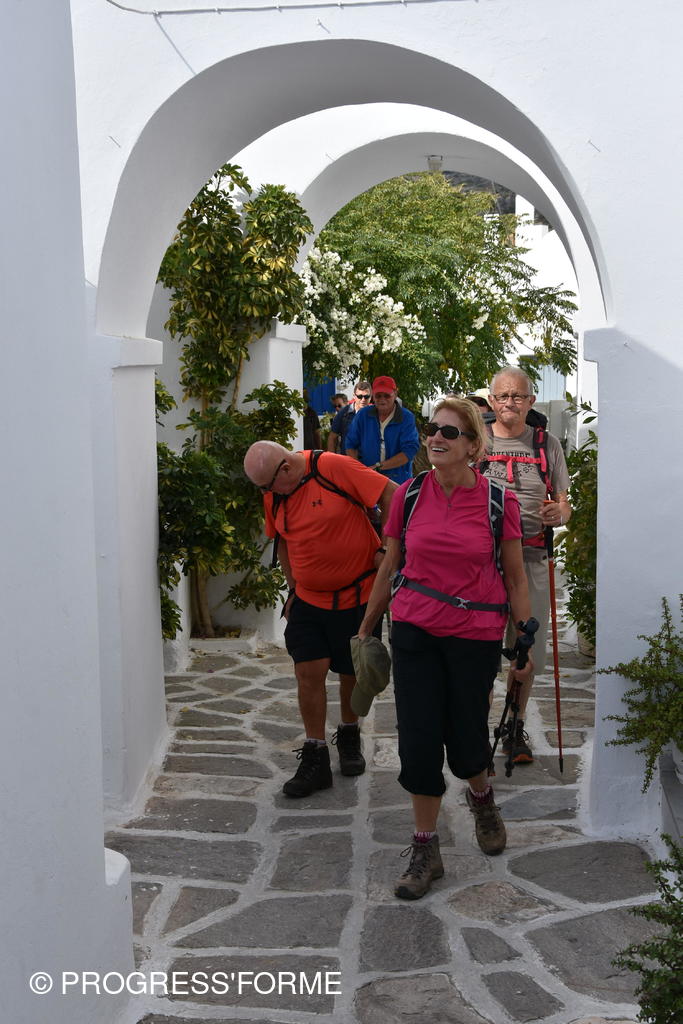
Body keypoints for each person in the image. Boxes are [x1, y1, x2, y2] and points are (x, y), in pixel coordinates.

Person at [357, 397, 533, 899]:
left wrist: (523, 642)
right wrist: (367, 627)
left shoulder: (499, 503)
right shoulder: (409, 495)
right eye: (433, 429)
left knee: (465, 736)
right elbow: (390, 565)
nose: (436, 437)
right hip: (415, 631)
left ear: (473, 446)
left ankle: (482, 797)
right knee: (417, 739)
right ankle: (425, 848)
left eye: (449, 432)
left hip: (475, 636)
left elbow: (515, 577)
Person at [243, 441, 397, 797]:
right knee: (308, 672)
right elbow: (282, 541)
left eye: (267, 486)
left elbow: (391, 493)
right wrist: (292, 589)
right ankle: (315, 755)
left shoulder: (333, 468)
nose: (266, 493)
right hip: (308, 601)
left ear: (285, 469)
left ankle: (349, 733)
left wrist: (388, 549)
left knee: (351, 672)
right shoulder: (275, 492)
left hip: (358, 596)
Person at [480, 366, 572, 764]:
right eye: (503, 396)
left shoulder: (546, 443)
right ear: (491, 400)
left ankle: (514, 727)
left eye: (518, 396)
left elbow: (564, 503)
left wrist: (560, 512)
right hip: (482, 564)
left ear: (531, 401)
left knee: (525, 650)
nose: (510, 403)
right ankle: (477, 730)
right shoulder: (475, 441)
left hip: (532, 558)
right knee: (480, 652)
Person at [345, 375, 420, 484]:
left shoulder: (406, 418)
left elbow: (410, 450)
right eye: (378, 396)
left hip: (398, 480)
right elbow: (350, 444)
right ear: (373, 396)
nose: (382, 399)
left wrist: (378, 467)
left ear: (395, 394)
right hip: (368, 478)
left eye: (387, 395)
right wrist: (359, 470)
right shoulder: (363, 415)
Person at [327, 380, 372, 453]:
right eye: (359, 396)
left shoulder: (375, 413)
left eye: (366, 397)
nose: (363, 399)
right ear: (354, 396)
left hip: (368, 458)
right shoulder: (343, 413)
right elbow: (332, 437)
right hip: (347, 457)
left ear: (371, 397)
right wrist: (331, 457)